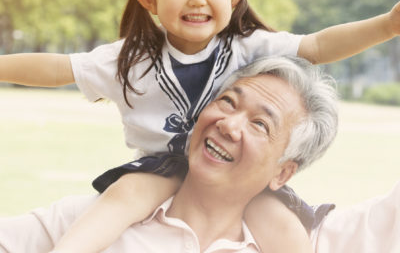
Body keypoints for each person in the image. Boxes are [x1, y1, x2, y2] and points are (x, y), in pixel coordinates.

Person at [0, 0, 399, 253]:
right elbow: (56, 68)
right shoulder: (129, 59)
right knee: (120, 200)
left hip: (233, 177)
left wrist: (386, 26)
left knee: (284, 226)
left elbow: (317, 46)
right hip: (159, 168)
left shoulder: (247, 47)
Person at [0, 56, 340, 252]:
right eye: (227, 101)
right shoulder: (91, 221)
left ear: (282, 173)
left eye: (260, 124)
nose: (228, 125)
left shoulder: (291, 241)